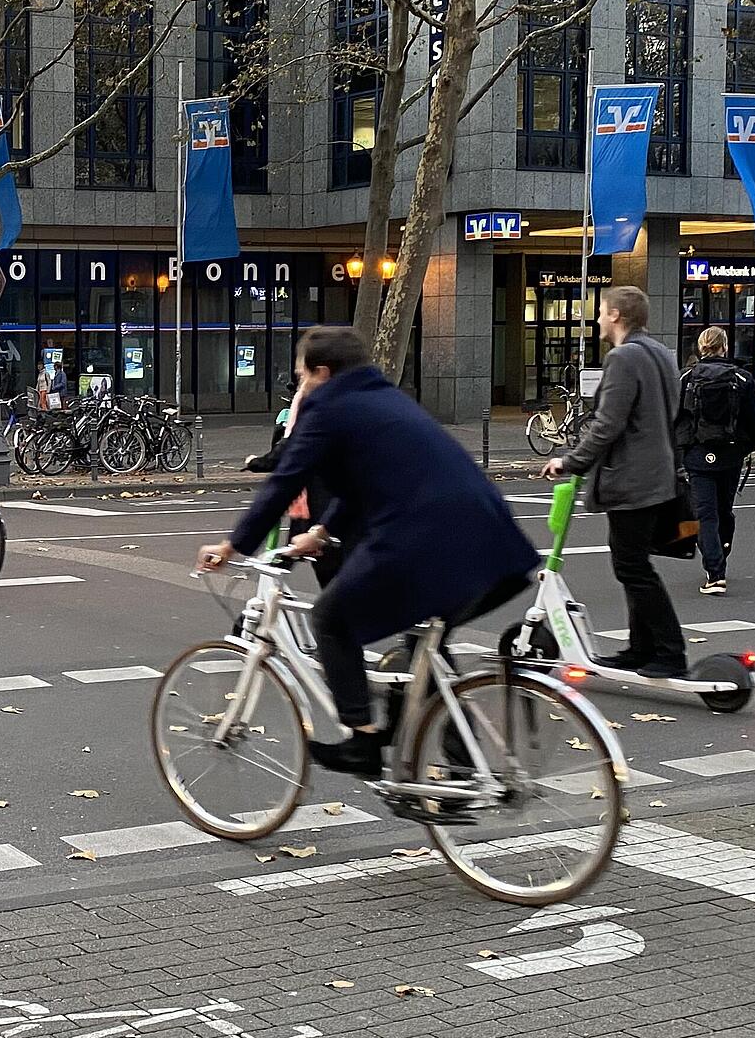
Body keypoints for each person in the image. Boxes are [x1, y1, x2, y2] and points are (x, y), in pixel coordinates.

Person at [198, 327, 538, 777]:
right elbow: (366, 482)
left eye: (302, 372)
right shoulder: (386, 398)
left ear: (323, 372)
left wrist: (232, 545)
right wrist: (321, 533)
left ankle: (362, 742)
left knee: (330, 620)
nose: (299, 382)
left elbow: (284, 481)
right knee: (422, 646)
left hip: (424, 541)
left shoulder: (328, 406)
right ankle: (460, 767)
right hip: (498, 546)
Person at [544, 285, 685, 678]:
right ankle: (641, 650)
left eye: (602, 312)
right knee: (635, 563)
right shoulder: (661, 353)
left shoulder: (623, 358)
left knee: (632, 568)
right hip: (659, 476)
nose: (599, 319)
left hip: (633, 480)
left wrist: (570, 462)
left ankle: (670, 651)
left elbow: (608, 424)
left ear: (617, 316)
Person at [676, 328, 755, 597]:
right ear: (724, 348)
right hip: (731, 455)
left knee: (705, 515)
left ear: (701, 348)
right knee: (724, 511)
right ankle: (722, 550)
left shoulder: (687, 378)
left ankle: (715, 573)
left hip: (698, 456)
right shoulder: (742, 378)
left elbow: (673, 419)